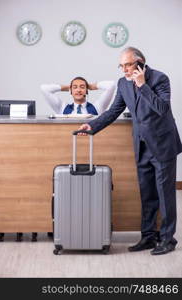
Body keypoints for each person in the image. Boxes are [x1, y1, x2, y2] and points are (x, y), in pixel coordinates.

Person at [78, 47, 182, 255]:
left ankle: (168, 239)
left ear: (140, 63)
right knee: (147, 194)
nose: (124, 69)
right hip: (141, 145)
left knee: (165, 194)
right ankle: (148, 237)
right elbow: (114, 111)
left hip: (162, 146)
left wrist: (142, 85)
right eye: (121, 65)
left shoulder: (160, 79)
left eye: (128, 65)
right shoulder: (123, 84)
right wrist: (93, 126)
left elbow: (162, 108)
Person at [40, 77, 115, 115]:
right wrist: (66, 88)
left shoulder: (97, 107)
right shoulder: (62, 108)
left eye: (82, 87)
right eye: (75, 87)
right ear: (71, 91)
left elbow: (111, 85)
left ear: (86, 91)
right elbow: (44, 89)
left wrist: (92, 86)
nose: (78, 90)